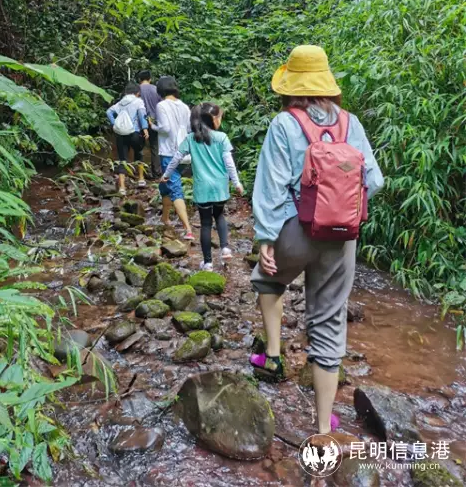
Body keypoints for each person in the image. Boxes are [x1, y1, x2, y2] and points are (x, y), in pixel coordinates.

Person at [250, 45, 384, 435]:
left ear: (291, 84)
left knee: (267, 278)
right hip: (342, 237)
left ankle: (273, 357)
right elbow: (373, 180)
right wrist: (342, 209)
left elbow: (271, 187)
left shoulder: (284, 124)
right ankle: (324, 428)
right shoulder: (350, 123)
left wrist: (266, 239)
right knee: (328, 319)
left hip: (295, 228)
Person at [162, 102, 244, 271]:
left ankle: (207, 263)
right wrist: (236, 182)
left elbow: (177, 158)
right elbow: (229, 164)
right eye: (220, 117)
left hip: (202, 189)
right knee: (220, 216)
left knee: (205, 224)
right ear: (213, 119)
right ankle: (225, 248)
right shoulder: (222, 138)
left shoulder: (191, 139)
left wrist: (166, 175)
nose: (220, 120)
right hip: (220, 187)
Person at [152, 75, 194, 239]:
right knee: (165, 185)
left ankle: (188, 228)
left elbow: (165, 128)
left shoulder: (161, 105)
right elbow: (190, 128)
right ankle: (165, 217)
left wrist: (152, 126)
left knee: (175, 189)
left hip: (169, 152)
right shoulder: (184, 106)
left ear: (160, 90)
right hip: (184, 152)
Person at [106, 81, 149, 196]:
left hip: (121, 134)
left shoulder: (120, 103)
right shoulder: (138, 101)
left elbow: (108, 112)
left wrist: (114, 124)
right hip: (135, 133)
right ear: (137, 92)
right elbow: (142, 115)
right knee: (139, 153)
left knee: (122, 159)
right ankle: (140, 179)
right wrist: (145, 129)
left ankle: (122, 188)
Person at [137, 70, 162, 179]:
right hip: (154, 122)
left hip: (139, 122)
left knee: (139, 148)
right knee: (154, 147)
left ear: (139, 79)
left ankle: (139, 173)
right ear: (150, 78)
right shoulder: (156, 90)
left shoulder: (136, 90)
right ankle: (156, 172)